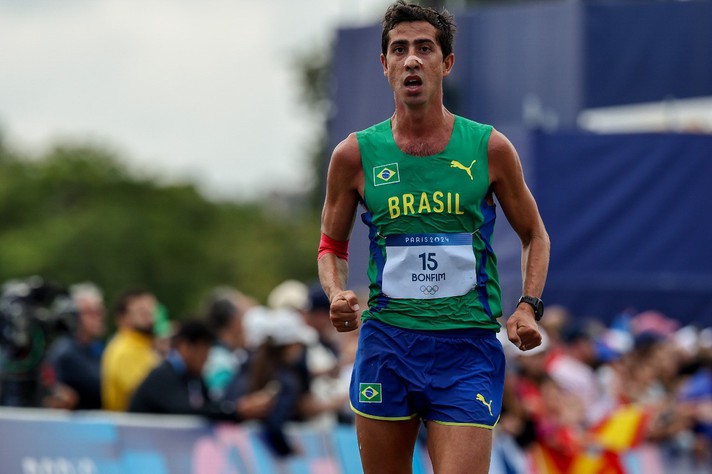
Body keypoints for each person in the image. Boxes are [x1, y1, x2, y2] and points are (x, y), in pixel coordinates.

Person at [317, 2, 550, 472]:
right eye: (399, 50)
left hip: (466, 348)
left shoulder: (489, 147)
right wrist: (336, 292)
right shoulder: (354, 155)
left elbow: (535, 235)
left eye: (424, 48)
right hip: (388, 344)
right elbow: (331, 247)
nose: (411, 60)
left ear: (446, 63)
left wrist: (528, 306)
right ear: (384, 65)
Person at [129, 319, 273, 421]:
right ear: (185, 347)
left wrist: (240, 408)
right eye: (203, 351)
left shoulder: (194, 376)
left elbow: (209, 406)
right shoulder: (162, 376)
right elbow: (185, 411)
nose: (206, 358)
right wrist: (236, 411)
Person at [45, 282, 107, 410]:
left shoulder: (97, 347)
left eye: (100, 311)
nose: (98, 317)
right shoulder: (64, 353)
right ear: (72, 316)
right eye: (90, 312)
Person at [101, 289, 160, 411]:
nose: (150, 318)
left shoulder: (142, 347)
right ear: (123, 318)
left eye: (151, 310)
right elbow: (147, 395)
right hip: (130, 426)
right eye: (141, 311)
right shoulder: (125, 350)